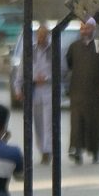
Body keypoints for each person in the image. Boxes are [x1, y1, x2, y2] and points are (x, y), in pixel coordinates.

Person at [65, 19, 99, 164]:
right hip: (78, 91)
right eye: (82, 28)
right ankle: (76, 150)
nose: (84, 31)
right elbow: (69, 65)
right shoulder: (74, 47)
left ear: (93, 28)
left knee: (95, 123)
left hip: (95, 92)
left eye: (87, 28)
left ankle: (95, 152)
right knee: (77, 123)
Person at [24, 25, 56, 165]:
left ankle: (47, 150)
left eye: (44, 35)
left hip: (49, 90)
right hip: (35, 91)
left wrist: (48, 78)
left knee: (48, 122)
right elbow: (22, 70)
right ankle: (42, 148)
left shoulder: (54, 51)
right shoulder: (31, 51)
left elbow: (61, 70)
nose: (41, 38)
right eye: (39, 35)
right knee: (38, 123)